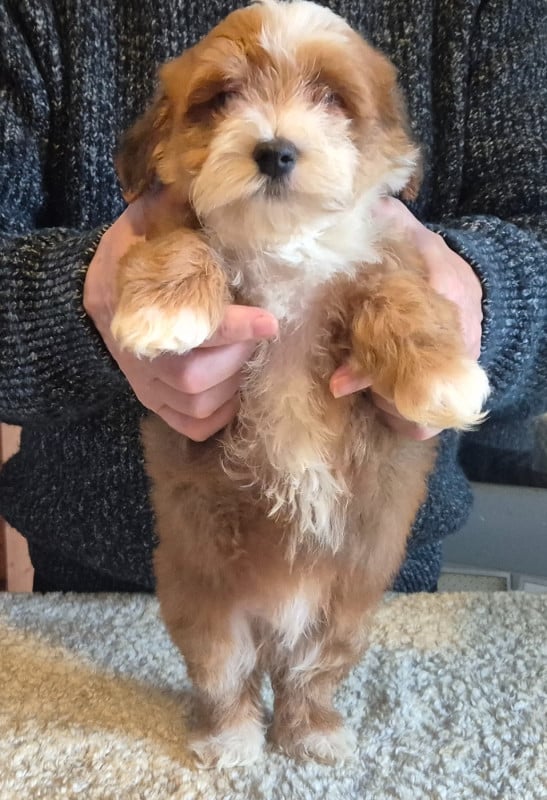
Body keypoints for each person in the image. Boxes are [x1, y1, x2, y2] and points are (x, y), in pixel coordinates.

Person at [0, 0, 545, 593]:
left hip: (373, 572)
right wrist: (80, 302)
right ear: (158, 140)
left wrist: (482, 297)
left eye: (330, 99)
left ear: (391, 142)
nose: (276, 138)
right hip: (95, 581)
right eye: (224, 99)